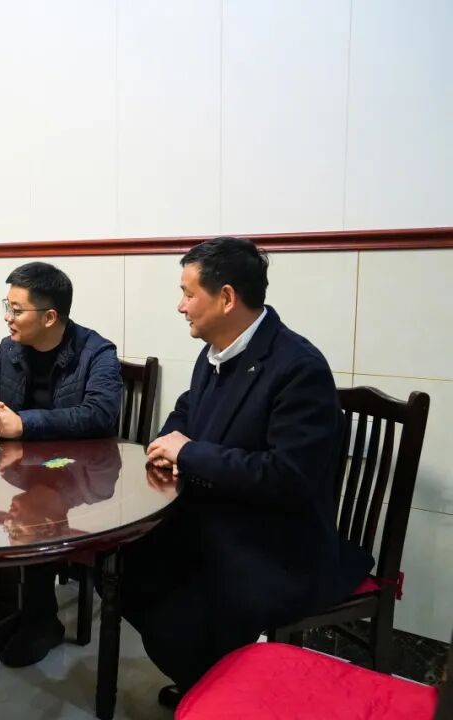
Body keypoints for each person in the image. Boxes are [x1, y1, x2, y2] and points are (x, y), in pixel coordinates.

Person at [124, 236, 374, 707]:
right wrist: (165, 444)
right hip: (218, 516)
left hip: (275, 542)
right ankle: (208, 683)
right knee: (126, 565)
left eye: (188, 294)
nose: (180, 306)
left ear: (226, 297)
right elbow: (186, 410)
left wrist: (189, 454)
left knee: (179, 609)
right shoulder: (216, 351)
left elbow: (287, 475)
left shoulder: (297, 368)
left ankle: (221, 692)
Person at [0, 261, 122, 667]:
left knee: (34, 512)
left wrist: (23, 423)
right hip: (20, 468)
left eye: (17, 309)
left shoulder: (96, 352)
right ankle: (22, 613)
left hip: (81, 478)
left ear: (50, 316)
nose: (7, 317)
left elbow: (101, 414)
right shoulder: (10, 347)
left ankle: (41, 620)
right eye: (7, 306)